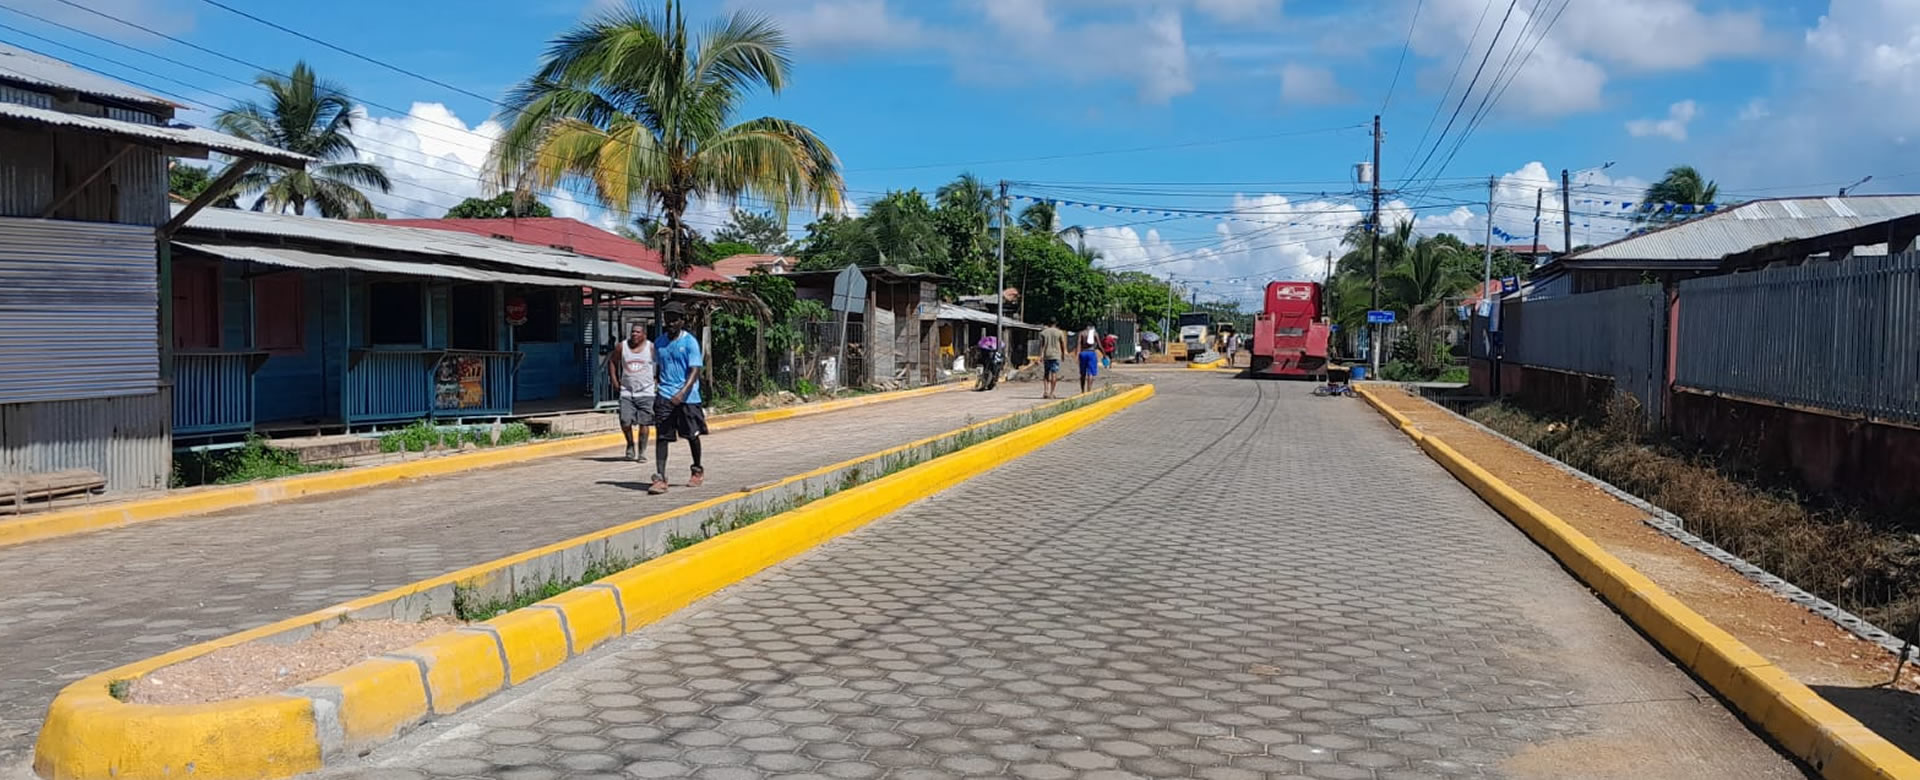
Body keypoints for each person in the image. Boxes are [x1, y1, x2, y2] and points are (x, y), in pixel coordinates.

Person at [649, 309, 706, 495]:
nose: (670, 324)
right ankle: (660, 476)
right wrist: (656, 385)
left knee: (691, 435)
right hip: (665, 395)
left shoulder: (689, 342)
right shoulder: (659, 343)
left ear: (682, 320)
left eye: (674, 320)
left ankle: (697, 469)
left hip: (687, 397)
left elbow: (695, 370)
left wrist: (682, 393)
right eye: (668, 320)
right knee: (662, 436)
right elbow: (658, 367)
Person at [609, 322, 656, 462]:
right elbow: (612, 362)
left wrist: (657, 380)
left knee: (644, 423)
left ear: (644, 335)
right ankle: (630, 444)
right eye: (633, 332)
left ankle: (642, 451)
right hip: (627, 391)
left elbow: (661, 363)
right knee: (625, 421)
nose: (634, 334)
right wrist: (615, 382)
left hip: (646, 391)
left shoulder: (651, 347)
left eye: (638, 332)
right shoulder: (622, 347)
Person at [1038, 320, 1068, 399]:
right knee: (1054, 374)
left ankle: (1045, 391)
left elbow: (1042, 345)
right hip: (1055, 355)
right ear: (1056, 324)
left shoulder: (1043, 332)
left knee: (1046, 373)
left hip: (1047, 355)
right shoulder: (1059, 332)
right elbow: (1062, 344)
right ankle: (1052, 393)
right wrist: (1063, 354)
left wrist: (1041, 355)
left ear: (1048, 324)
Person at [1077, 323, 1100, 394]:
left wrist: (1077, 354)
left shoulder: (1081, 333)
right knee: (1090, 373)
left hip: (1083, 353)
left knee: (1083, 373)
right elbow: (1099, 345)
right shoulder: (1095, 333)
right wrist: (1104, 354)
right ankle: (1089, 390)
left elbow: (1078, 343)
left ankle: (1082, 390)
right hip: (1091, 353)